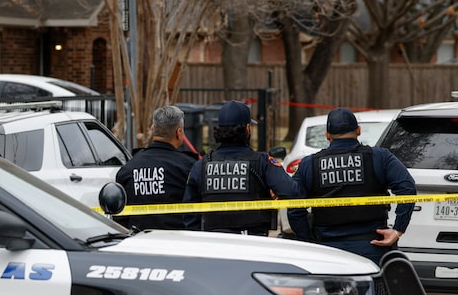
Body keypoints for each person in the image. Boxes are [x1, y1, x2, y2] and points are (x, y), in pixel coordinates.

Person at [287, 107, 416, 264]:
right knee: (374, 288)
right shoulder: (379, 157)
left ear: (327, 135)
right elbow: (407, 188)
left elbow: (294, 207)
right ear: (358, 130)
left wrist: (309, 241)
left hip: (327, 250)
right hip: (372, 247)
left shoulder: (309, 164)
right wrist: (397, 230)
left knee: (329, 289)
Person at [182, 100, 299, 235]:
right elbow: (292, 191)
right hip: (253, 242)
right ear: (247, 128)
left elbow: (189, 214)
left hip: (214, 243)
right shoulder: (262, 162)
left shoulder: (201, 166)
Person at [114, 105, 199, 231]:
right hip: (178, 241)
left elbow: (120, 215)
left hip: (139, 241)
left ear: (153, 128)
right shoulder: (189, 166)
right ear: (179, 132)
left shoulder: (128, 168)